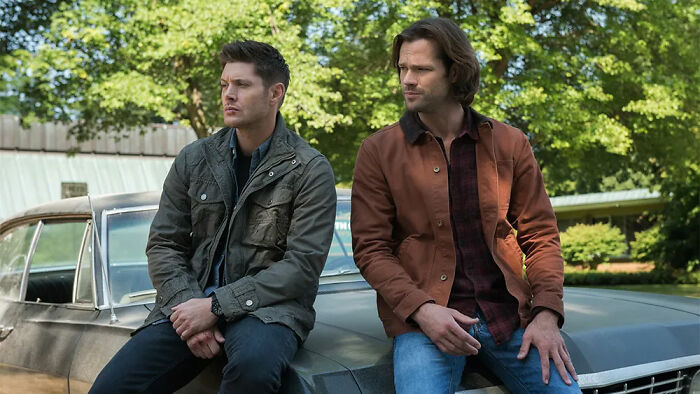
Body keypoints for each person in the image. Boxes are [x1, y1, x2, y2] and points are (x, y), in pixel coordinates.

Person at [90, 40, 337, 393]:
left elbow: (302, 266)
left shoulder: (309, 169)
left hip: (267, 311)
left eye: (242, 85)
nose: (228, 95)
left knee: (253, 371)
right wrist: (193, 313)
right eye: (224, 85)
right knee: (110, 387)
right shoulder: (194, 159)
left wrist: (217, 306)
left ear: (275, 93)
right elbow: (163, 246)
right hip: (188, 300)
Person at [351, 18, 580, 394]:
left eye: (421, 69)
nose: (407, 79)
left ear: (455, 72)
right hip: (427, 322)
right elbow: (371, 250)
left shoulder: (509, 143)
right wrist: (423, 311)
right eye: (403, 68)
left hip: (509, 317)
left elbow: (541, 237)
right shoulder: (378, 151)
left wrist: (547, 314)